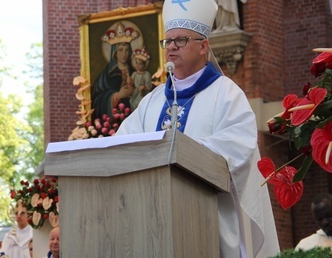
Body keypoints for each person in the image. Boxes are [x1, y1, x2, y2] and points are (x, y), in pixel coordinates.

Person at [116, 0, 280, 257]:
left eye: (180, 40)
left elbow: (238, 146)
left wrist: (180, 153)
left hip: (208, 220)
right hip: (153, 220)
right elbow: (122, 144)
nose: (171, 47)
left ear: (203, 46)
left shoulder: (226, 94)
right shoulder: (152, 101)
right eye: (167, 41)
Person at [91, 21, 136, 120]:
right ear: (114, 53)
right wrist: (117, 95)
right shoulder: (107, 75)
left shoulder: (135, 72)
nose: (124, 54)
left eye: (127, 50)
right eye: (120, 50)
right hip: (116, 121)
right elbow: (97, 99)